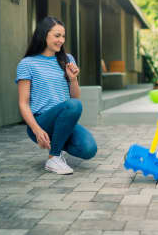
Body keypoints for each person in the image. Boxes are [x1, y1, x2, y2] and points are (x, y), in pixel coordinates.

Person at [16, 16, 97, 175]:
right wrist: (37, 130)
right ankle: (54, 158)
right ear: (44, 35)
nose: (61, 40)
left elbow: (75, 97)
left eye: (63, 36)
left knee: (89, 149)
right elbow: (23, 103)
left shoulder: (67, 60)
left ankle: (57, 149)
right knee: (73, 106)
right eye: (57, 35)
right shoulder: (27, 64)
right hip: (41, 121)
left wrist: (73, 79)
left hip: (64, 117)